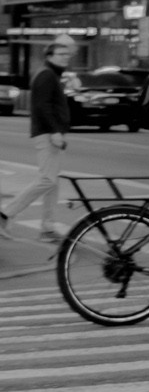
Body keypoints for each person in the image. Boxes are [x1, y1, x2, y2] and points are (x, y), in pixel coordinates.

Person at [12, 36, 79, 244]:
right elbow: (42, 106)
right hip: (47, 134)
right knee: (47, 180)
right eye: (61, 54)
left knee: (52, 183)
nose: (65, 58)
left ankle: (48, 228)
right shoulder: (46, 75)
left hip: (50, 133)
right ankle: (6, 213)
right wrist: (55, 132)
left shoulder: (51, 75)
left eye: (67, 54)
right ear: (49, 56)